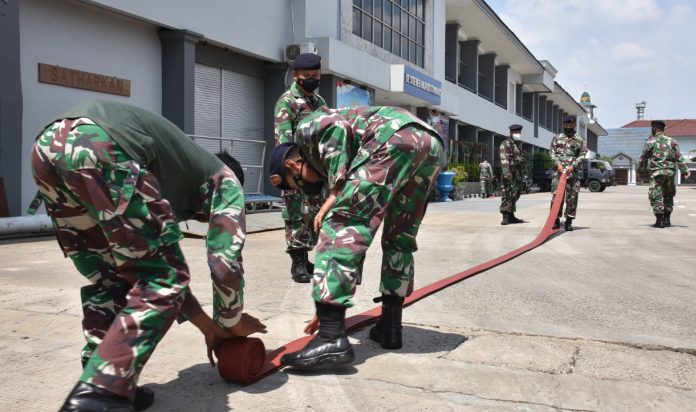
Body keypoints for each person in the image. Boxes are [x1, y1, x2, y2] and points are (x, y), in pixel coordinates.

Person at [28, 100, 267, 411]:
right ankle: (100, 396)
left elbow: (145, 269)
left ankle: (109, 381)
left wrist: (209, 328)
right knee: (162, 276)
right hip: (101, 143)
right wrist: (231, 321)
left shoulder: (173, 170)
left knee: (112, 277)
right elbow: (224, 263)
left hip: (45, 149)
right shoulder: (226, 180)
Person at [268, 106, 445, 369]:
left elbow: (335, 126)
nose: (306, 190)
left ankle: (331, 338)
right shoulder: (349, 150)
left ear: (292, 165)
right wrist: (331, 300)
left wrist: (335, 192)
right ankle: (390, 326)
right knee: (399, 237)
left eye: (298, 183)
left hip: (393, 136)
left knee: (339, 225)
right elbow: (354, 246)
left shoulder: (305, 131)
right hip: (431, 146)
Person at [273, 53, 329, 283]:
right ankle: (297, 262)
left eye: (315, 74)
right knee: (296, 214)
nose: (311, 79)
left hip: (317, 170)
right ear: (296, 75)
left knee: (314, 213)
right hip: (295, 169)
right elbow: (284, 142)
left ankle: (306, 259)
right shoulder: (287, 102)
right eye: (307, 75)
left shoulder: (320, 102)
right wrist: (297, 168)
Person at [638, 120, 690, 228]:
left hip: (657, 174)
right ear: (663, 129)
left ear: (654, 129)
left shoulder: (650, 142)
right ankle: (667, 220)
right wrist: (685, 171)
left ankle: (660, 221)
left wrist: (641, 172)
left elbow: (644, 159)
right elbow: (679, 157)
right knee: (668, 195)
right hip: (670, 174)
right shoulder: (672, 141)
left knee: (655, 195)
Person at [550, 115, 587, 231]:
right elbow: (552, 153)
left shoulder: (580, 139)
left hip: (573, 174)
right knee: (557, 197)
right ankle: (555, 220)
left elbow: (582, 154)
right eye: (566, 125)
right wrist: (558, 163)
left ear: (574, 125)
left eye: (570, 125)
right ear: (563, 125)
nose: (568, 127)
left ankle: (569, 221)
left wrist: (573, 165)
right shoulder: (557, 138)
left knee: (572, 198)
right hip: (558, 173)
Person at [499, 124, 525, 225]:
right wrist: (506, 172)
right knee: (507, 194)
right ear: (511, 132)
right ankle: (505, 217)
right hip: (510, 173)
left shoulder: (516, 143)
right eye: (515, 132)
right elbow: (504, 158)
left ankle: (511, 216)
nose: (517, 134)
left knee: (515, 194)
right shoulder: (506, 143)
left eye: (519, 132)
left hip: (517, 173)